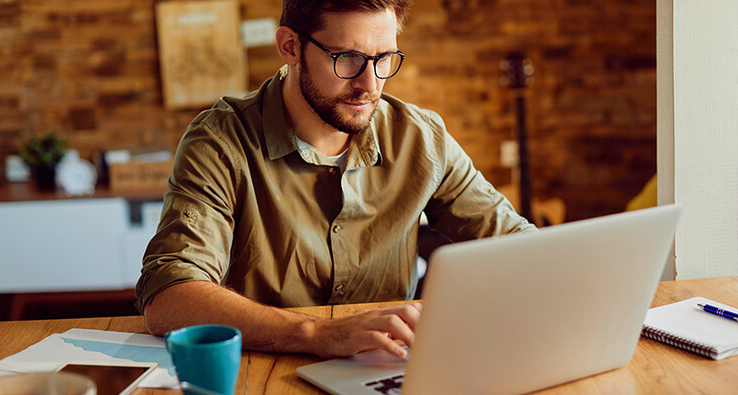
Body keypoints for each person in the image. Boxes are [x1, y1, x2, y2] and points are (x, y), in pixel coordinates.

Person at [136, 0, 536, 359]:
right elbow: (169, 297)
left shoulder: (422, 138)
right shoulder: (221, 140)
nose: (370, 85)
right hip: (261, 370)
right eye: (347, 58)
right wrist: (317, 333)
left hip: (385, 367)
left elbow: (522, 249)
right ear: (290, 46)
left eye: (384, 59)